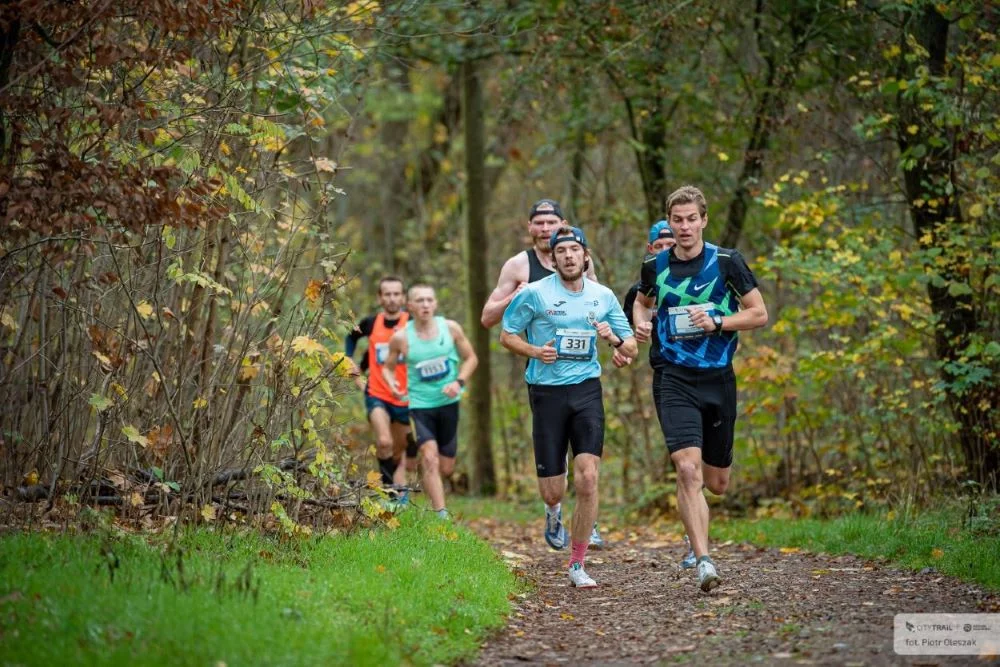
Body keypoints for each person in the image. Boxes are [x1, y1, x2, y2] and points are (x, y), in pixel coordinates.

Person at [633, 185, 768, 592]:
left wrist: (718, 323)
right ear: (669, 224)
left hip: (718, 379)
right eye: (678, 220)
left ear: (703, 220)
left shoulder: (727, 262)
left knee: (716, 482)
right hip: (674, 377)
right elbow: (640, 301)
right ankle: (703, 560)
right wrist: (641, 320)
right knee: (686, 468)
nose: (685, 227)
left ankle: (700, 536)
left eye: (692, 219)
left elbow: (759, 313)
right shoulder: (655, 266)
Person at [500, 226, 637, 587]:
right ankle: (553, 511)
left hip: (587, 390)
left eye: (575, 250)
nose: (569, 256)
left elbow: (631, 348)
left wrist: (613, 339)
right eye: (561, 251)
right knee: (553, 489)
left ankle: (577, 563)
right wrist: (535, 351)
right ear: (553, 258)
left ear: (585, 255)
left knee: (588, 477)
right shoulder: (534, 294)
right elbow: (506, 335)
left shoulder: (603, 296)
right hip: (546, 393)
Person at [481, 199, 604, 549]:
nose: (546, 227)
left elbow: (598, 306)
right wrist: (514, 298)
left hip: (582, 374)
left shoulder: (580, 259)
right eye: (539, 222)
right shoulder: (519, 265)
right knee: (553, 468)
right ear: (530, 228)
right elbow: (488, 318)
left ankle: (587, 523)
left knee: (587, 460)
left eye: (552, 221)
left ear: (563, 224)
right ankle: (554, 508)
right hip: (542, 370)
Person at [383, 285, 478, 519]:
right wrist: (393, 385)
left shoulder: (451, 328)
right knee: (428, 454)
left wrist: (459, 382)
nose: (425, 304)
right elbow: (388, 368)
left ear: (435, 304)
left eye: (429, 300)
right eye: (420, 300)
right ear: (410, 306)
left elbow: (471, 358)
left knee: (446, 467)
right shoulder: (401, 337)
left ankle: (432, 487)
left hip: (448, 403)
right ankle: (441, 515)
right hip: (419, 406)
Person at [345, 276, 415, 491]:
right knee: (384, 442)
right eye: (387, 294)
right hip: (376, 393)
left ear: (403, 298)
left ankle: (397, 490)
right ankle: (389, 495)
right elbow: (351, 337)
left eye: (396, 294)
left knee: (398, 449)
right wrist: (349, 363)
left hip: (404, 397)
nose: (392, 299)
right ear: (380, 297)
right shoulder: (370, 323)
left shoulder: (412, 322)